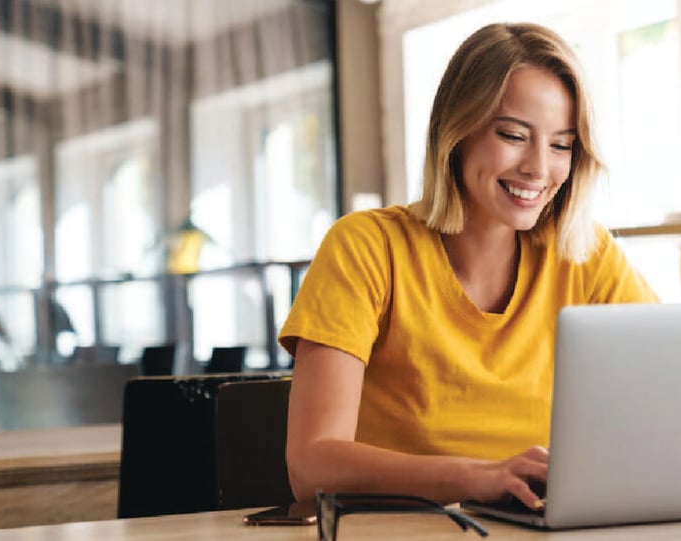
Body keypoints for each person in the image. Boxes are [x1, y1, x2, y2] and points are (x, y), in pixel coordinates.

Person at [279, 22, 658, 511]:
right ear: (456, 132)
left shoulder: (586, 255)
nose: (539, 169)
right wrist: (477, 478)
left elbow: (670, 401)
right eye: (513, 136)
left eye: (561, 145)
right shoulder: (366, 247)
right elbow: (311, 468)